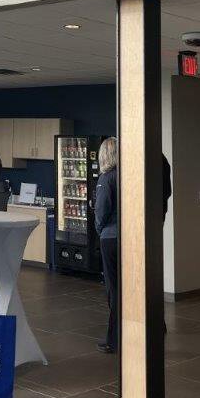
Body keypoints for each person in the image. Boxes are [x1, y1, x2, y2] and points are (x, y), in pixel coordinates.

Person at [94, 136, 119, 354]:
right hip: (127, 238)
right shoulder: (125, 176)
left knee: (113, 289)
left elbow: (101, 212)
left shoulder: (106, 179)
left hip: (110, 238)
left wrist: (98, 229)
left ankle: (114, 339)